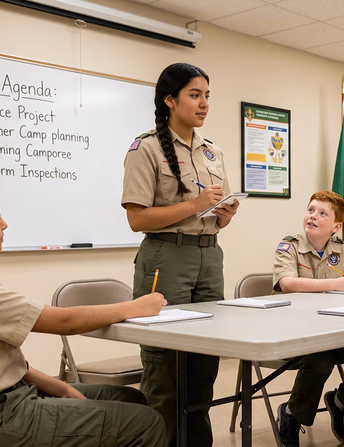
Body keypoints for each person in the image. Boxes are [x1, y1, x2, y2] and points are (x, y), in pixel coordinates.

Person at [0, 177, 167, 447]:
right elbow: (64, 322)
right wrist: (136, 307)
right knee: (146, 422)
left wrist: (61, 387)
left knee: (131, 400)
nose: (4, 224)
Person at [121, 62, 239, 446]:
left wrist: (224, 215)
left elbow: (210, 217)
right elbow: (137, 219)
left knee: (204, 364)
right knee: (166, 368)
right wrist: (194, 205)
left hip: (209, 256)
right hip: (166, 257)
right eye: (194, 95)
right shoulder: (147, 148)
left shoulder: (212, 151)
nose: (204, 104)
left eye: (207, 96)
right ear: (170, 100)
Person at [272, 190, 344, 446]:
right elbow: (287, 283)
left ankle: (341, 403)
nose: (313, 216)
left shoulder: (339, 248)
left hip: (332, 330)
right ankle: (291, 415)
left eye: (322, 213)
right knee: (319, 360)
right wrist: (336, 284)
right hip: (296, 332)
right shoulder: (289, 245)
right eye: (311, 210)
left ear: (335, 227)